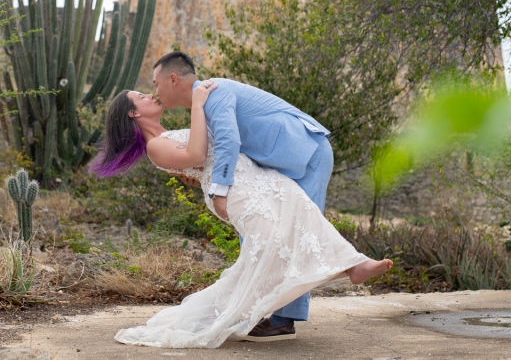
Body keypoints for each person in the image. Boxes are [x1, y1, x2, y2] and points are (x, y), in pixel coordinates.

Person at [91, 81, 393, 349]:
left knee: (304, 215)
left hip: (260, 178)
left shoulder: (168, 135)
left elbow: (207, 152)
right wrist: (197, 104)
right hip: (236, 193)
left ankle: (355, 264)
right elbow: (197, 156)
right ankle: (247, 313)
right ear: (134, 113)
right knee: (268, 245)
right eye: (141, 95)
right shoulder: (156, 146)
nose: (150, 94)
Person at [151, 51, 335, 339]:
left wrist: (219, 191)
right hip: (278, 161)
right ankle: (261, 310)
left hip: (305, 152)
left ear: (173, 79)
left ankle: (284, 318)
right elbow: (212, 152)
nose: (155, 91)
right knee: (261, 235)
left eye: (156, 83)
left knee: (300, 232)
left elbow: (229, 139)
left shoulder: (212, 92)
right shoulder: (202, 102)